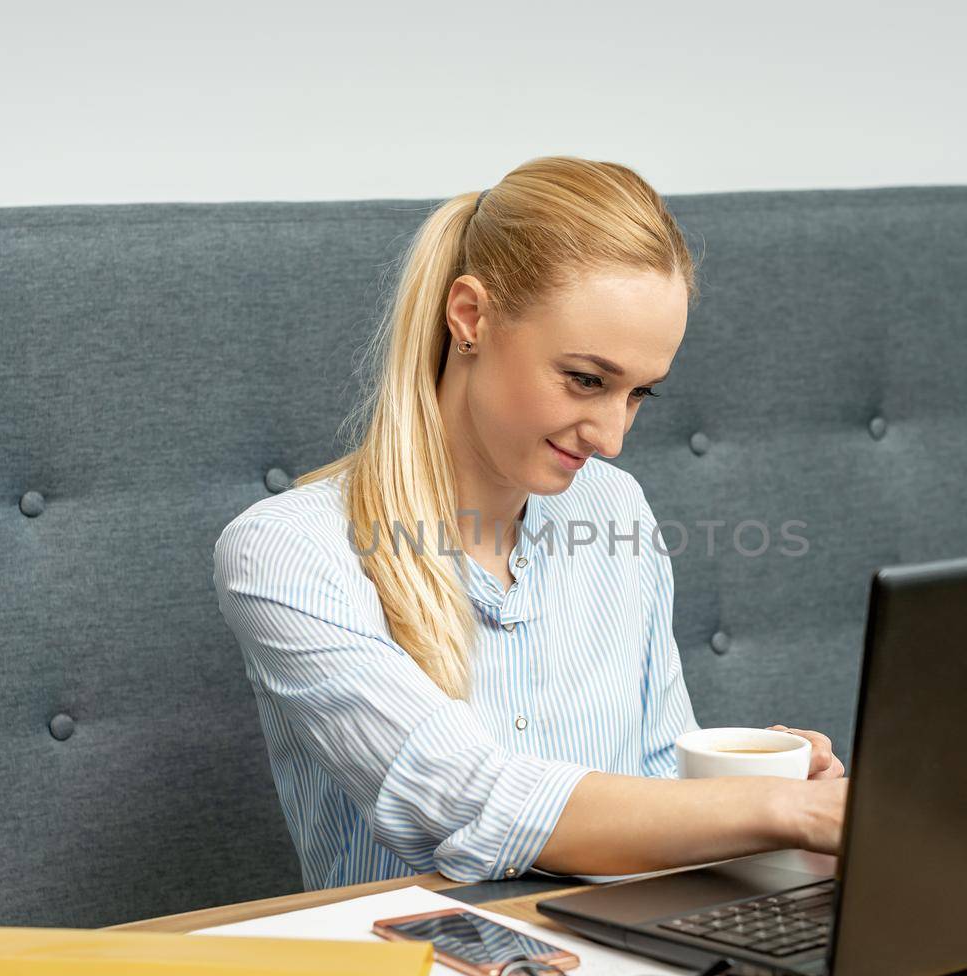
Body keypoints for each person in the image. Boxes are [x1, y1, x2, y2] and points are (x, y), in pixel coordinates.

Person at [213, 155, 848, 891]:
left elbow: (652, 780)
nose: (611, 436)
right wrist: (782, 810)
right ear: (471, 318)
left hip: (630, 967)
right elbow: (466, 801)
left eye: (640, 393)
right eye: (585, 379)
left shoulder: (615, 508)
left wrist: (755, 786)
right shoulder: (287, 551)